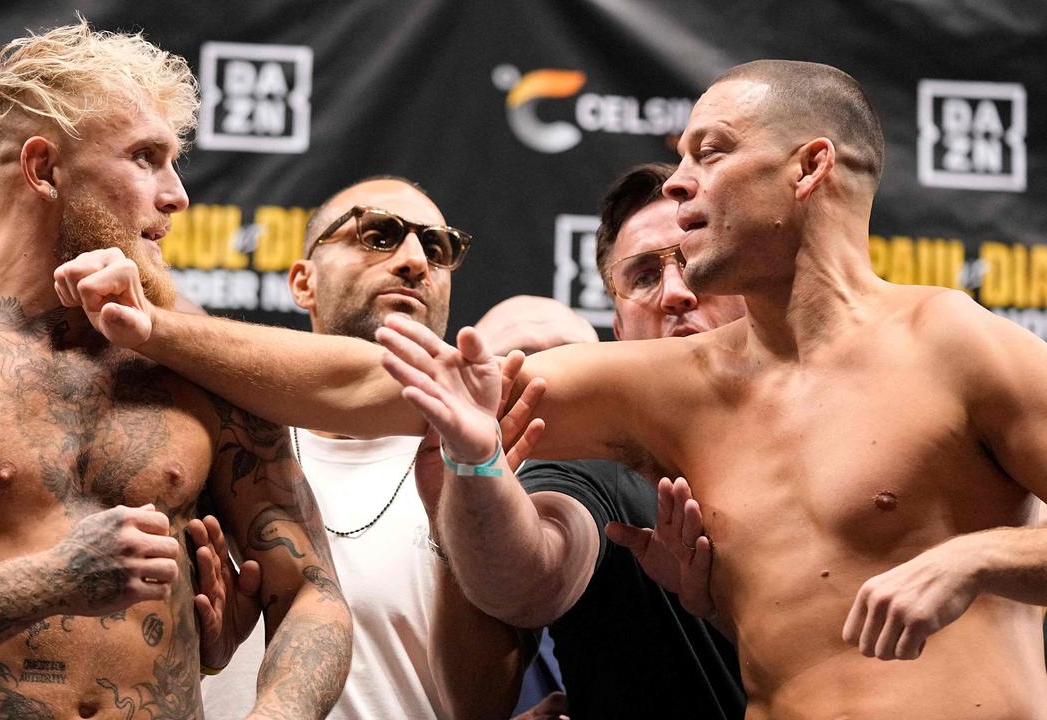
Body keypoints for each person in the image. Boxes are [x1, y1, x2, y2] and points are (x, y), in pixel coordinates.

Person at [56, 59, 1047, 719]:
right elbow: (388, 384)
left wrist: (975, 560)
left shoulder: (950, 341)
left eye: (709, 154)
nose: (680, 185)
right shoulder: (674, 385)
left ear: (809, 168)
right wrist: (154, 328)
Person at [0, 21, 351, 720]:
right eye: (145, 158)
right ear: (44, 169)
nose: (176, 195)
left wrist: (276, 716)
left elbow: (313, 592)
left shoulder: (199, 372)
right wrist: (56, 579)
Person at [201, 175, 552, 719]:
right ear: (303, 282)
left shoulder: (491, 470)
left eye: (437, 247)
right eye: (379, 234)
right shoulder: (221, 441)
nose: (415, 260)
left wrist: (452, 515)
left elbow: (484, 706)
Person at [435, 165, 747, 719]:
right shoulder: (587, 465)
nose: (676, 293)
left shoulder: (849, 424)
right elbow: (532, 574)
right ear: (619, 329)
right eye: (645, 276)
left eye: (696, 263)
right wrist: (476, 465)